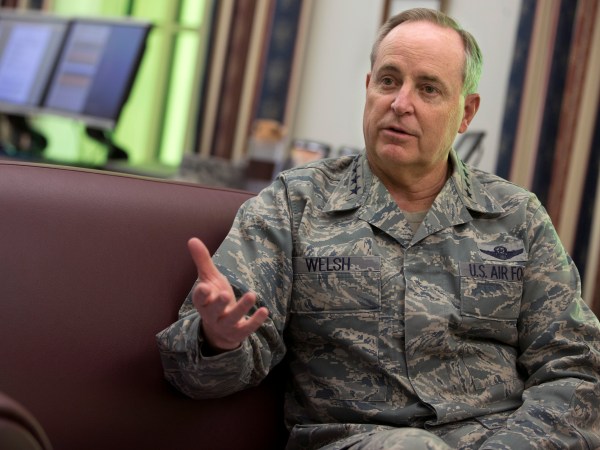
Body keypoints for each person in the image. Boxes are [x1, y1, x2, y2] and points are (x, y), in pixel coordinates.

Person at [157, 7, 600, 449]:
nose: (400, 103)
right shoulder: (295, 204)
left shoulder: (516, 216)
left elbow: (577, 367)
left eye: (428, 89)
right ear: (369, 88)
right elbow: (192, 372)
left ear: (466, 112)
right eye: (388, 81)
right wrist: (218, 340)